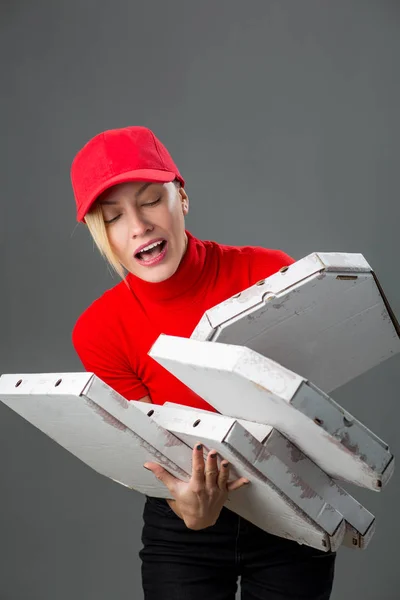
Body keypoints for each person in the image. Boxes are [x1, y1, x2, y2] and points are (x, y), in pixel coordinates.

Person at [70, 125, 336, 600]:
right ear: (100, 232)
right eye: (113, 216)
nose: (138, 225)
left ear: (182, 198)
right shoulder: (98, 331)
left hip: (293, 506)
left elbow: (311, 400)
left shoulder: (270, 275)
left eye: (151, 199)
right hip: (183, 524)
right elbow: (149, 445)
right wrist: (188, 505)